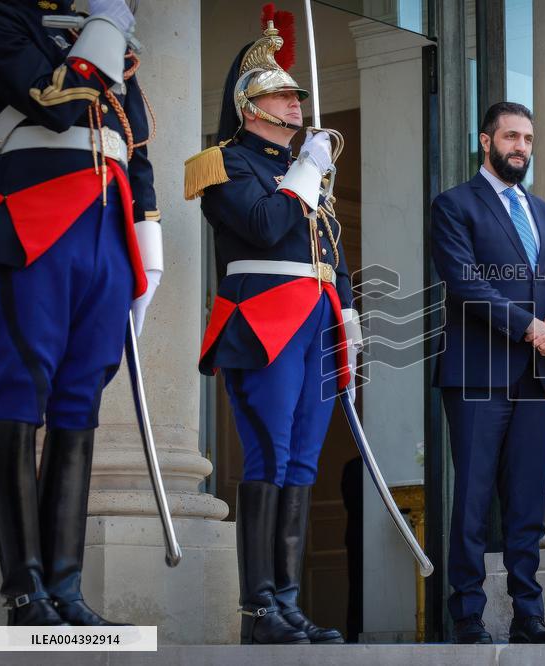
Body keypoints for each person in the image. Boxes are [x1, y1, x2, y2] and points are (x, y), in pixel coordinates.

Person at [185, 7, 361, 645]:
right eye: (285, 96)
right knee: (272, 452)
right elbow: (261, 226)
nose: (297, 106)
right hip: (264, 320)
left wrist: (348, 315)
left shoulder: (306, 175)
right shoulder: (224, 163)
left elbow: (328, 253)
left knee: (305, 460)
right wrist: (306, 171)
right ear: (252, 105)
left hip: (315, 320)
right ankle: (259, 609)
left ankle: (285, 602)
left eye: (296, 97)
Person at [0, 0, 162, 626]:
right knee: (19, 394)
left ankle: (64, 588)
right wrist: (105, 26)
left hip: (107, 232)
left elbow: (134, 150)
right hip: (35, 219)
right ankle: (24, 592)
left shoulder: (107, 37)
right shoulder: (11, 20)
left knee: (78, 402)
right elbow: (54, 101)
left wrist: (149, 256)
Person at [430, 101, 545, 644]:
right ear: (486, 140)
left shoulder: (543, 212)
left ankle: (527, 614)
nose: (521, 147)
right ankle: (467, 614)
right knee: (471, 500)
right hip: (475, 374)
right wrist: (528, 329)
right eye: (511, 136)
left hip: (537, 378)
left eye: (528, 139)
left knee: (527, 502)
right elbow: (467, 284)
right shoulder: (453, 205)